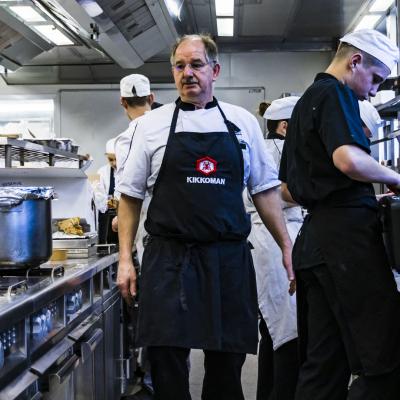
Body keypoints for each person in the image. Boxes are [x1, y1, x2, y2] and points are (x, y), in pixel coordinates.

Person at [116, 33, 293, 400]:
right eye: (179, 66)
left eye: (196, 65)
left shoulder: (241, 122)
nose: (188, 73)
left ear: (215, 70)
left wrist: (286, 246)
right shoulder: (149, 126)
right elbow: (130, 196)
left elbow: (264, 190)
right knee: (166, 359)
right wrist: (125, 260)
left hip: (227, 258)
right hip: (168, 258)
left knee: (227, 362)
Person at [279, 29, 400, 400]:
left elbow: (288, 189)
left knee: (324, 364)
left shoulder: (305, 102)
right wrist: (395, 178)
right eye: (375, 79)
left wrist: (344, 195)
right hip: (346, 247)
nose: (374, 92)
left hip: (315, 244)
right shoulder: (336, 94)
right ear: (355, 61)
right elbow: (348, 160)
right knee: (382, 358)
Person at [247, 96, 301, 400]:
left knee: (273, 332)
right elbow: (278, 193)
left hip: (273, 239)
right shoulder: (274, 151)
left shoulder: (270, 148)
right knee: (287, 330)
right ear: (284, 127)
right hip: (274, 239)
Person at [96, 137, 118, 244]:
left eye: (116, 159)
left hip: (124, 217)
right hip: (107, 218)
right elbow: (99, 197)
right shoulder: (102, 172)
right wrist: (111, 202)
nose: (114, 163)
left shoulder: (128, 171)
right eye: (110, 159)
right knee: (108, 246)